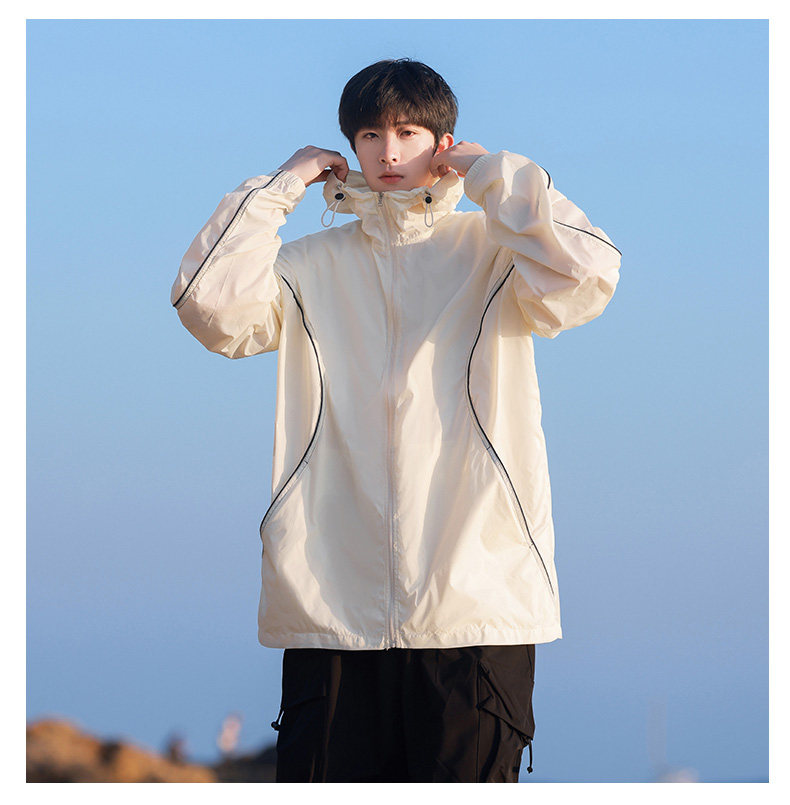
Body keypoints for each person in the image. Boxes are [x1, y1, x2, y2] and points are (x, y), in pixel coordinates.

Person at [171, 58, 621, 783]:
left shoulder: (496, 255)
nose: (388, 151)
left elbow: (588, 275)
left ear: (443, 142)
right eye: (371, 134)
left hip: (477, 605)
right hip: (330, 603)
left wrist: (493, 173)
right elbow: (208, 305)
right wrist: (282, 186)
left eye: (408, 132)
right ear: (350, 144)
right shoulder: (306, 267)